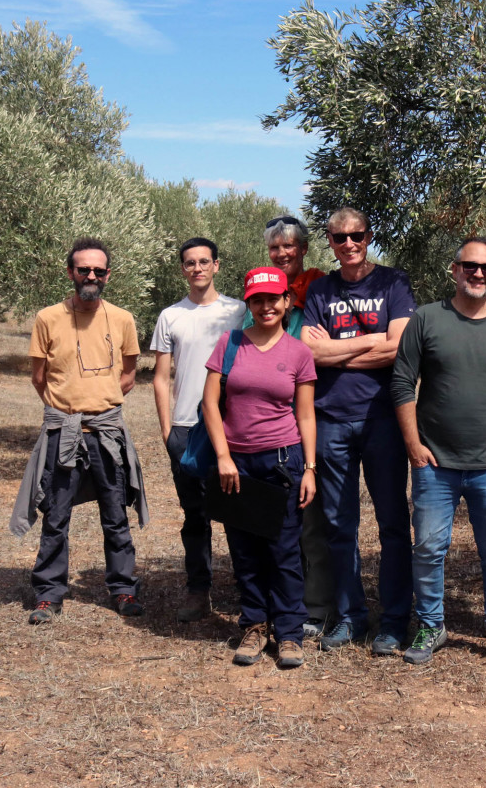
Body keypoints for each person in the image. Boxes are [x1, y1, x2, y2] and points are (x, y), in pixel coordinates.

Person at [391, 238, 486, 670]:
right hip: (434, 465)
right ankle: (431, 625)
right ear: (454, 269)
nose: (478, 274)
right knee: (429, 549)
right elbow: (402, 384)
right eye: (470, 266)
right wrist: (413, 446)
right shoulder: (427, 319)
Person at [10, 237, 148, 624]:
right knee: (56, 516)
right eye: (83, 269)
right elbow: (39, 378)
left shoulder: (122, 319)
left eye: (98, 270)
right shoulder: (47, 318)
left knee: (115, 515)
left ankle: (123, 590)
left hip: (106, 432)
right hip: (63, 432)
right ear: (70, 272)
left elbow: (129, 375)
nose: (91, 275)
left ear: (108, 275)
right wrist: (69, 407)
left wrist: (97, 400)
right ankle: (49, 594)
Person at [302, 207, 416, 654]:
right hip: (331, 418)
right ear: (328, 241)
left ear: (369, 237)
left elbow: (400, 347)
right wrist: (372, 340)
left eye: (357, 236)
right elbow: (310, 356)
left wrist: (337, 349)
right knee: (338, 523)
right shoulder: (319, 289)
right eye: (339, 238)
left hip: (383, 418)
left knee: (392, 522)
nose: (349, 244)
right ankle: (349, 617)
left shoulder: (393, 282)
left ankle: (392, 621)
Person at [203, 267, 317, 668]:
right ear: (248, 304)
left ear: (287, 302)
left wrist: (311, 468)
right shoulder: (229, 344)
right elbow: (210, 405)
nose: (266, 306)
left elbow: (305, 416)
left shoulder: (299, 352)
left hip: (284, 461)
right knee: (245, 549)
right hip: (236, 463)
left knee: (284, 550)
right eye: (258, 300)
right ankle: (253, 625)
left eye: (274, 299)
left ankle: (289, 633)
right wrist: (222, 457)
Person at [151, 237, 246, 622]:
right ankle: (198, 589)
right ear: (183, 269)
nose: (197, 269)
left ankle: (248, 590)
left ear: (217, 266)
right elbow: (160, 378)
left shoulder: (239, 311)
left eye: (204, 262)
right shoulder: (170, 316)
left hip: (233, 427)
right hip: (187, 430)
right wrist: (166, 430)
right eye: (190, 263)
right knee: (195, 515)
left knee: (241, 514)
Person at [265, 215, 334, 638]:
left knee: (313, 519)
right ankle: (279, 600)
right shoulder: (263, 291)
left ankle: (319, 606)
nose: (283, 253)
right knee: (277, 519)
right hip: (269, 425)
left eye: (289, 245)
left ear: (304, 248)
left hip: (311, 416)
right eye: (275, 247)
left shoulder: (320, 290)